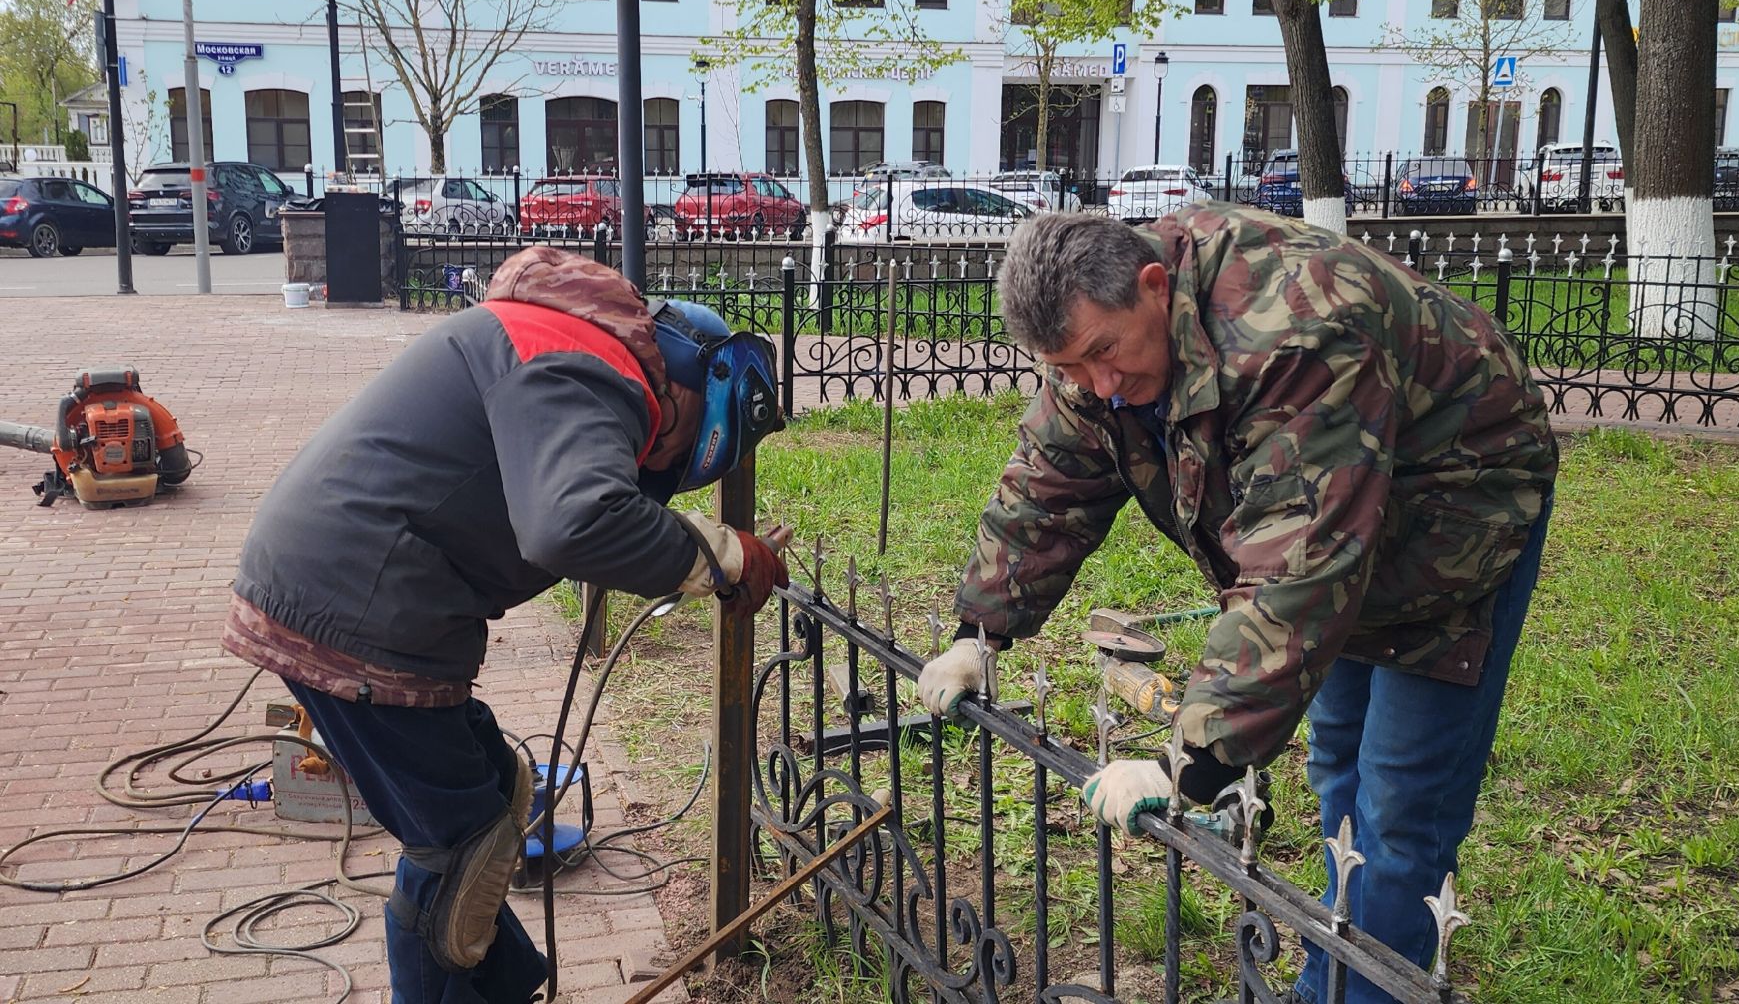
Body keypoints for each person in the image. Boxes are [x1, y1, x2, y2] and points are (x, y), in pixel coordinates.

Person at [915, 206, 1558, 1004]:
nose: (1100, 389)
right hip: (1343, 518)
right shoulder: (1097, 341)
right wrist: (982, 631)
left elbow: (1296, 565)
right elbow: (1051, 480)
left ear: (1155, 286)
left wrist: (1191, 762)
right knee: (1341, 765)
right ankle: (1333, 972)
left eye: (1103, 356)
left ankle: (1366, 994)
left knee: (1397, 804)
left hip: (1455, 511)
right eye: (1072, 369)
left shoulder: (1295, 332)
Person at [222, 246, 788, 1003]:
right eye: (694, 449)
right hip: (355, 603)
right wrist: (721, 556)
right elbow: (573, 523)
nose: (677, 460)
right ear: (697, 396)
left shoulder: (562, 344)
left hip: (349, 587)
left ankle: (511, 985)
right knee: (463, 851)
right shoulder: (592, 367)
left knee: (494, 787)